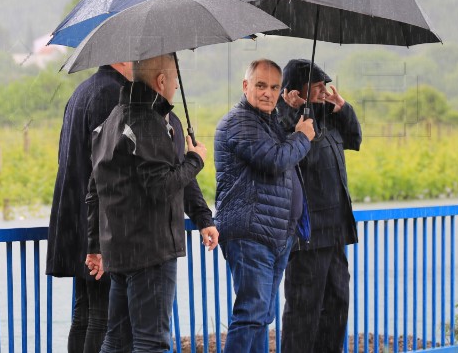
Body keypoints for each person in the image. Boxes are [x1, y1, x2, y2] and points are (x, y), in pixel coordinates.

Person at [86, 53, 217, 353]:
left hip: (120, 248)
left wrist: (202, 217)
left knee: (117, 339)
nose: (175, 86)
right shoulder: (147, 123)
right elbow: (162, 186)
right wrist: (197, 159)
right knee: (151, 342)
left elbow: (94, 190)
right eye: (174, 79)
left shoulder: (114, 120)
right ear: (161, 81)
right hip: (151, 250)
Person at [213, 58, 315, 353]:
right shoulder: (239, 122)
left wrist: (292, 111)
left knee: (262, 316)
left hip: (275, 234)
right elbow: (275, 159)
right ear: (246, 86)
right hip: (250, 232)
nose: (267, 93)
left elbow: (279, 142)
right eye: (260, 85)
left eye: (274, 87)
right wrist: (302, 137)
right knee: (252, 313)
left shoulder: (265, 121)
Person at [277, 59, 362, 353]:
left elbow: (355, 139)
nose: (322, 92)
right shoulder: (287, 124)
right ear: (295, 91)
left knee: (338, 303)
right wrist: (290, 112)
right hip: (308, 234)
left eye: (323, 86)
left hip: (336, 231)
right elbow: (289, 155)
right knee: (304, 309)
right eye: (315, 87)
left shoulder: (329, 119)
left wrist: (343, 108)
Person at [46, 62, 131, 353]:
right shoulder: (113, 94)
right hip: (98, 222)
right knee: (102, 315)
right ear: (121, 58)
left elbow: (65, 155)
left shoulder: (81, 92)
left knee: (83, 311)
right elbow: (108, 166)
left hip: (74, 219)